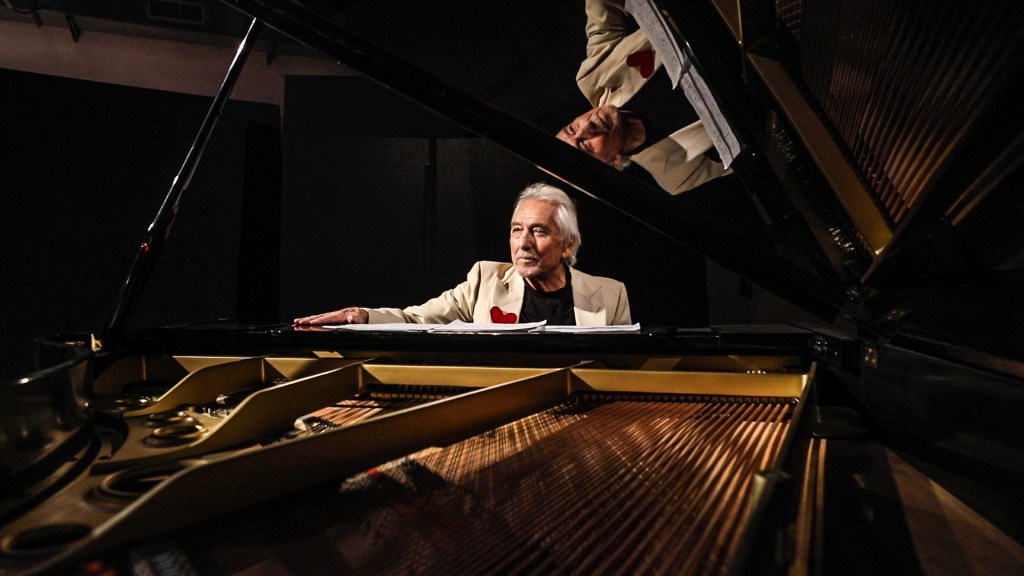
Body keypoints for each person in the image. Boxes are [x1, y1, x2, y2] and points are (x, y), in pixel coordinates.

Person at [293, 182, 632, 327]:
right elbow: (415, 320)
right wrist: (362, 315)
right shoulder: (485, 280)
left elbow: (625, 373)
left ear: (568, 244)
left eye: (539, 231)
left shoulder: (611, 294)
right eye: (517, 230)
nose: (523, 243)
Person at [556, 0, 730, 195]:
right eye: (585, 146)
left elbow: (600, 5)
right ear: (613, 162)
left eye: (572, 128)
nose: (586, 126)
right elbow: (748, 150)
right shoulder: (677, 176)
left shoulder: (597, 76)